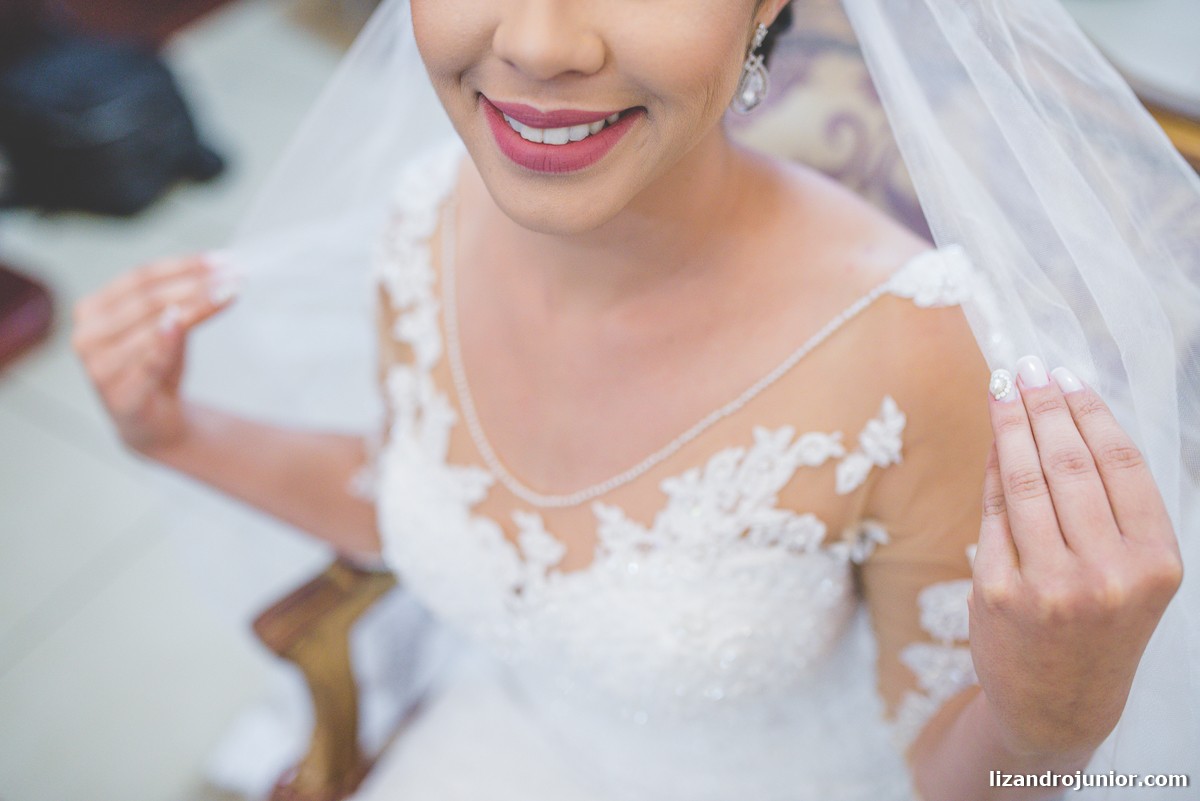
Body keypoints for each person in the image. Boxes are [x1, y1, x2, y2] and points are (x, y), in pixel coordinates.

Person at [69, 0, 1198, 799]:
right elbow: (425, 496)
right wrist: (172, 431)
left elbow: (943, 776)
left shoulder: (913, 353)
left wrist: (1046, 723)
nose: (539, 42)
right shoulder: (425, 215)